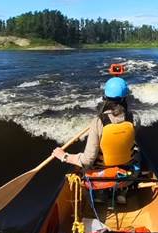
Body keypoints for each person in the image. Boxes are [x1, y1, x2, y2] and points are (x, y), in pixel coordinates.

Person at [52, 76, 136, 204]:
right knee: (137, 153)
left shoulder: (98, 122)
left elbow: (87, 160)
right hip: (127, 175)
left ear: (105, 98)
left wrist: (64, 156)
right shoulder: (134, 118)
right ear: (125, 98)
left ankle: (101, 194)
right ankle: (121, 191)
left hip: (102, 177)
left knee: (85, 161)